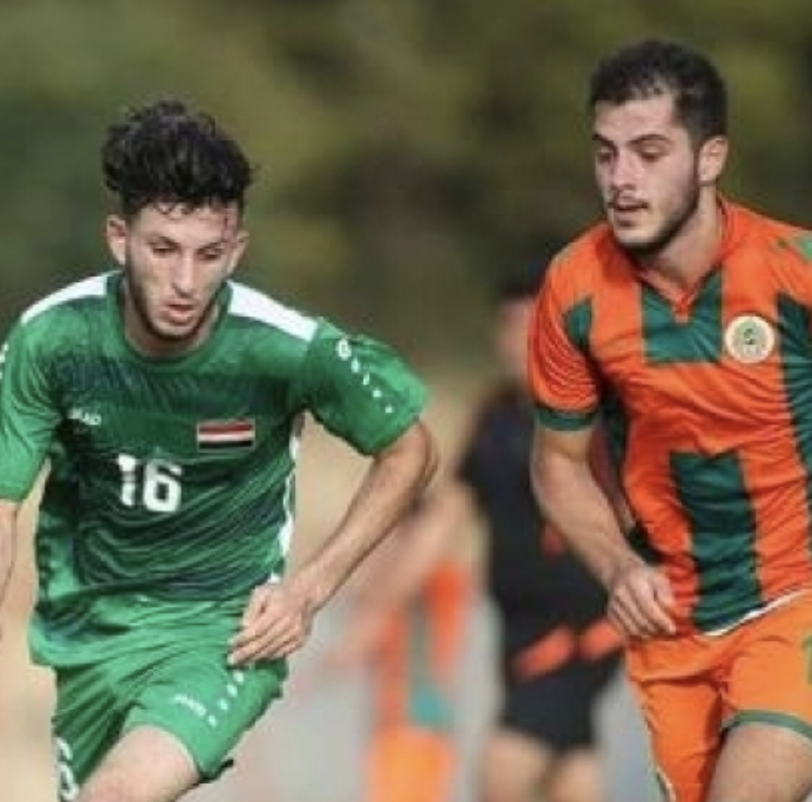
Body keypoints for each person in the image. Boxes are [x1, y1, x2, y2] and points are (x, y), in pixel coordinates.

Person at [0, 98, 438, 802]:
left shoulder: (282, 348)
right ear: (119, 239)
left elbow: (409, 450)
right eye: (163, 250)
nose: (185, 282)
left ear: (236, 250)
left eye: (209, 256)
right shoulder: (52, 340)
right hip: (87, 638)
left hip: (222, 633)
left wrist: (308, 590)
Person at [528, 38, 812, 802]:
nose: (621, 179)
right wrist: (618, 567)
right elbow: (557, 463)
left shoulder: (794, 269)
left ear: (710, 157)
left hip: (798, 597)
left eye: (649, 153)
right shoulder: (574, 287)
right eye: (606, 154)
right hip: (674, 627)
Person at [332, 267, 623, 802]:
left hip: (580, 633)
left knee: (502, 772)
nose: (516, 342)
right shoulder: (494, 417)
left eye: (531, 327)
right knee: (570, 772)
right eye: (508, 326)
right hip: (520, 630)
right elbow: (443, 520)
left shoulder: (598, 420)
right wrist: (375, 610)